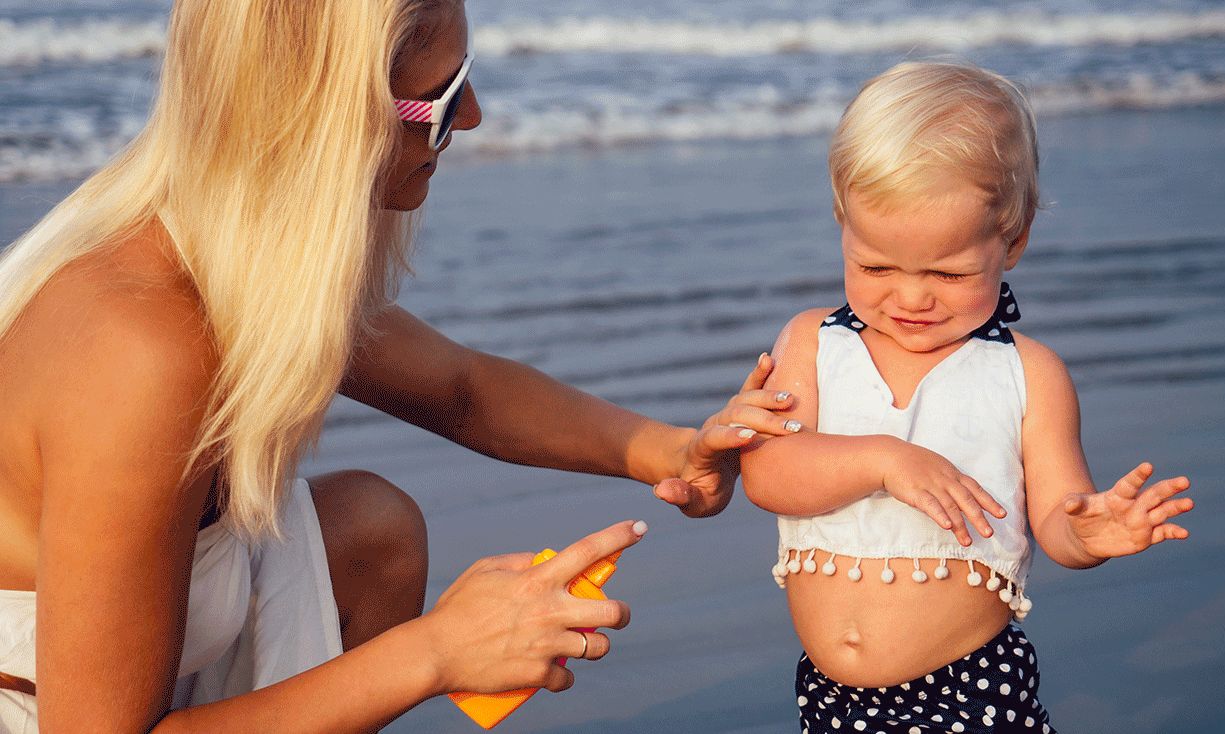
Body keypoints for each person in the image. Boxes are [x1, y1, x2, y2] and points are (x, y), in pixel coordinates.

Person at [0, 0, 796, 731]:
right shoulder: (143, 350)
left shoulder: (236, 262)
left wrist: (674, 452)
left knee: (371, 529)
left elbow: (463, 391)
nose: (476, 117)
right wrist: (436, 652)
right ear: (323, 121)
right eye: (444, 102)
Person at [739, 61, 1195, 734]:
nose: (913, 296)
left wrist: (1090, 533)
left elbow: (1056, 520)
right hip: (832, 701)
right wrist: (885, 460)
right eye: (876, 266)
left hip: (971, 692)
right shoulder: (813, 343)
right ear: (842, 222)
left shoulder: (1027, 375)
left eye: (949, 273)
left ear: (1012, 243)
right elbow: (769, 473)